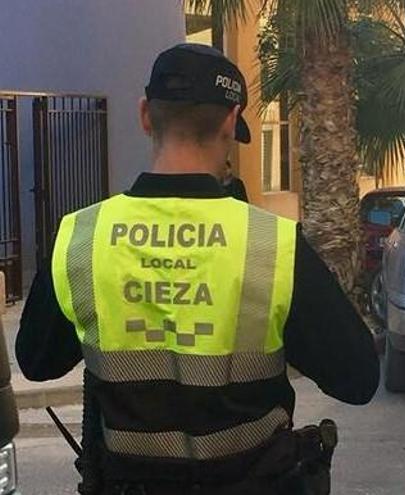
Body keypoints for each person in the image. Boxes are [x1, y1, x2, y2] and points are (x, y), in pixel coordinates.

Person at [15, 43, 379, 495]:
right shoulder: (271, 244)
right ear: (231, 121)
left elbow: (36, 363)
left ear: (146, 115)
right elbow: (358, 378)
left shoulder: (81, 236)